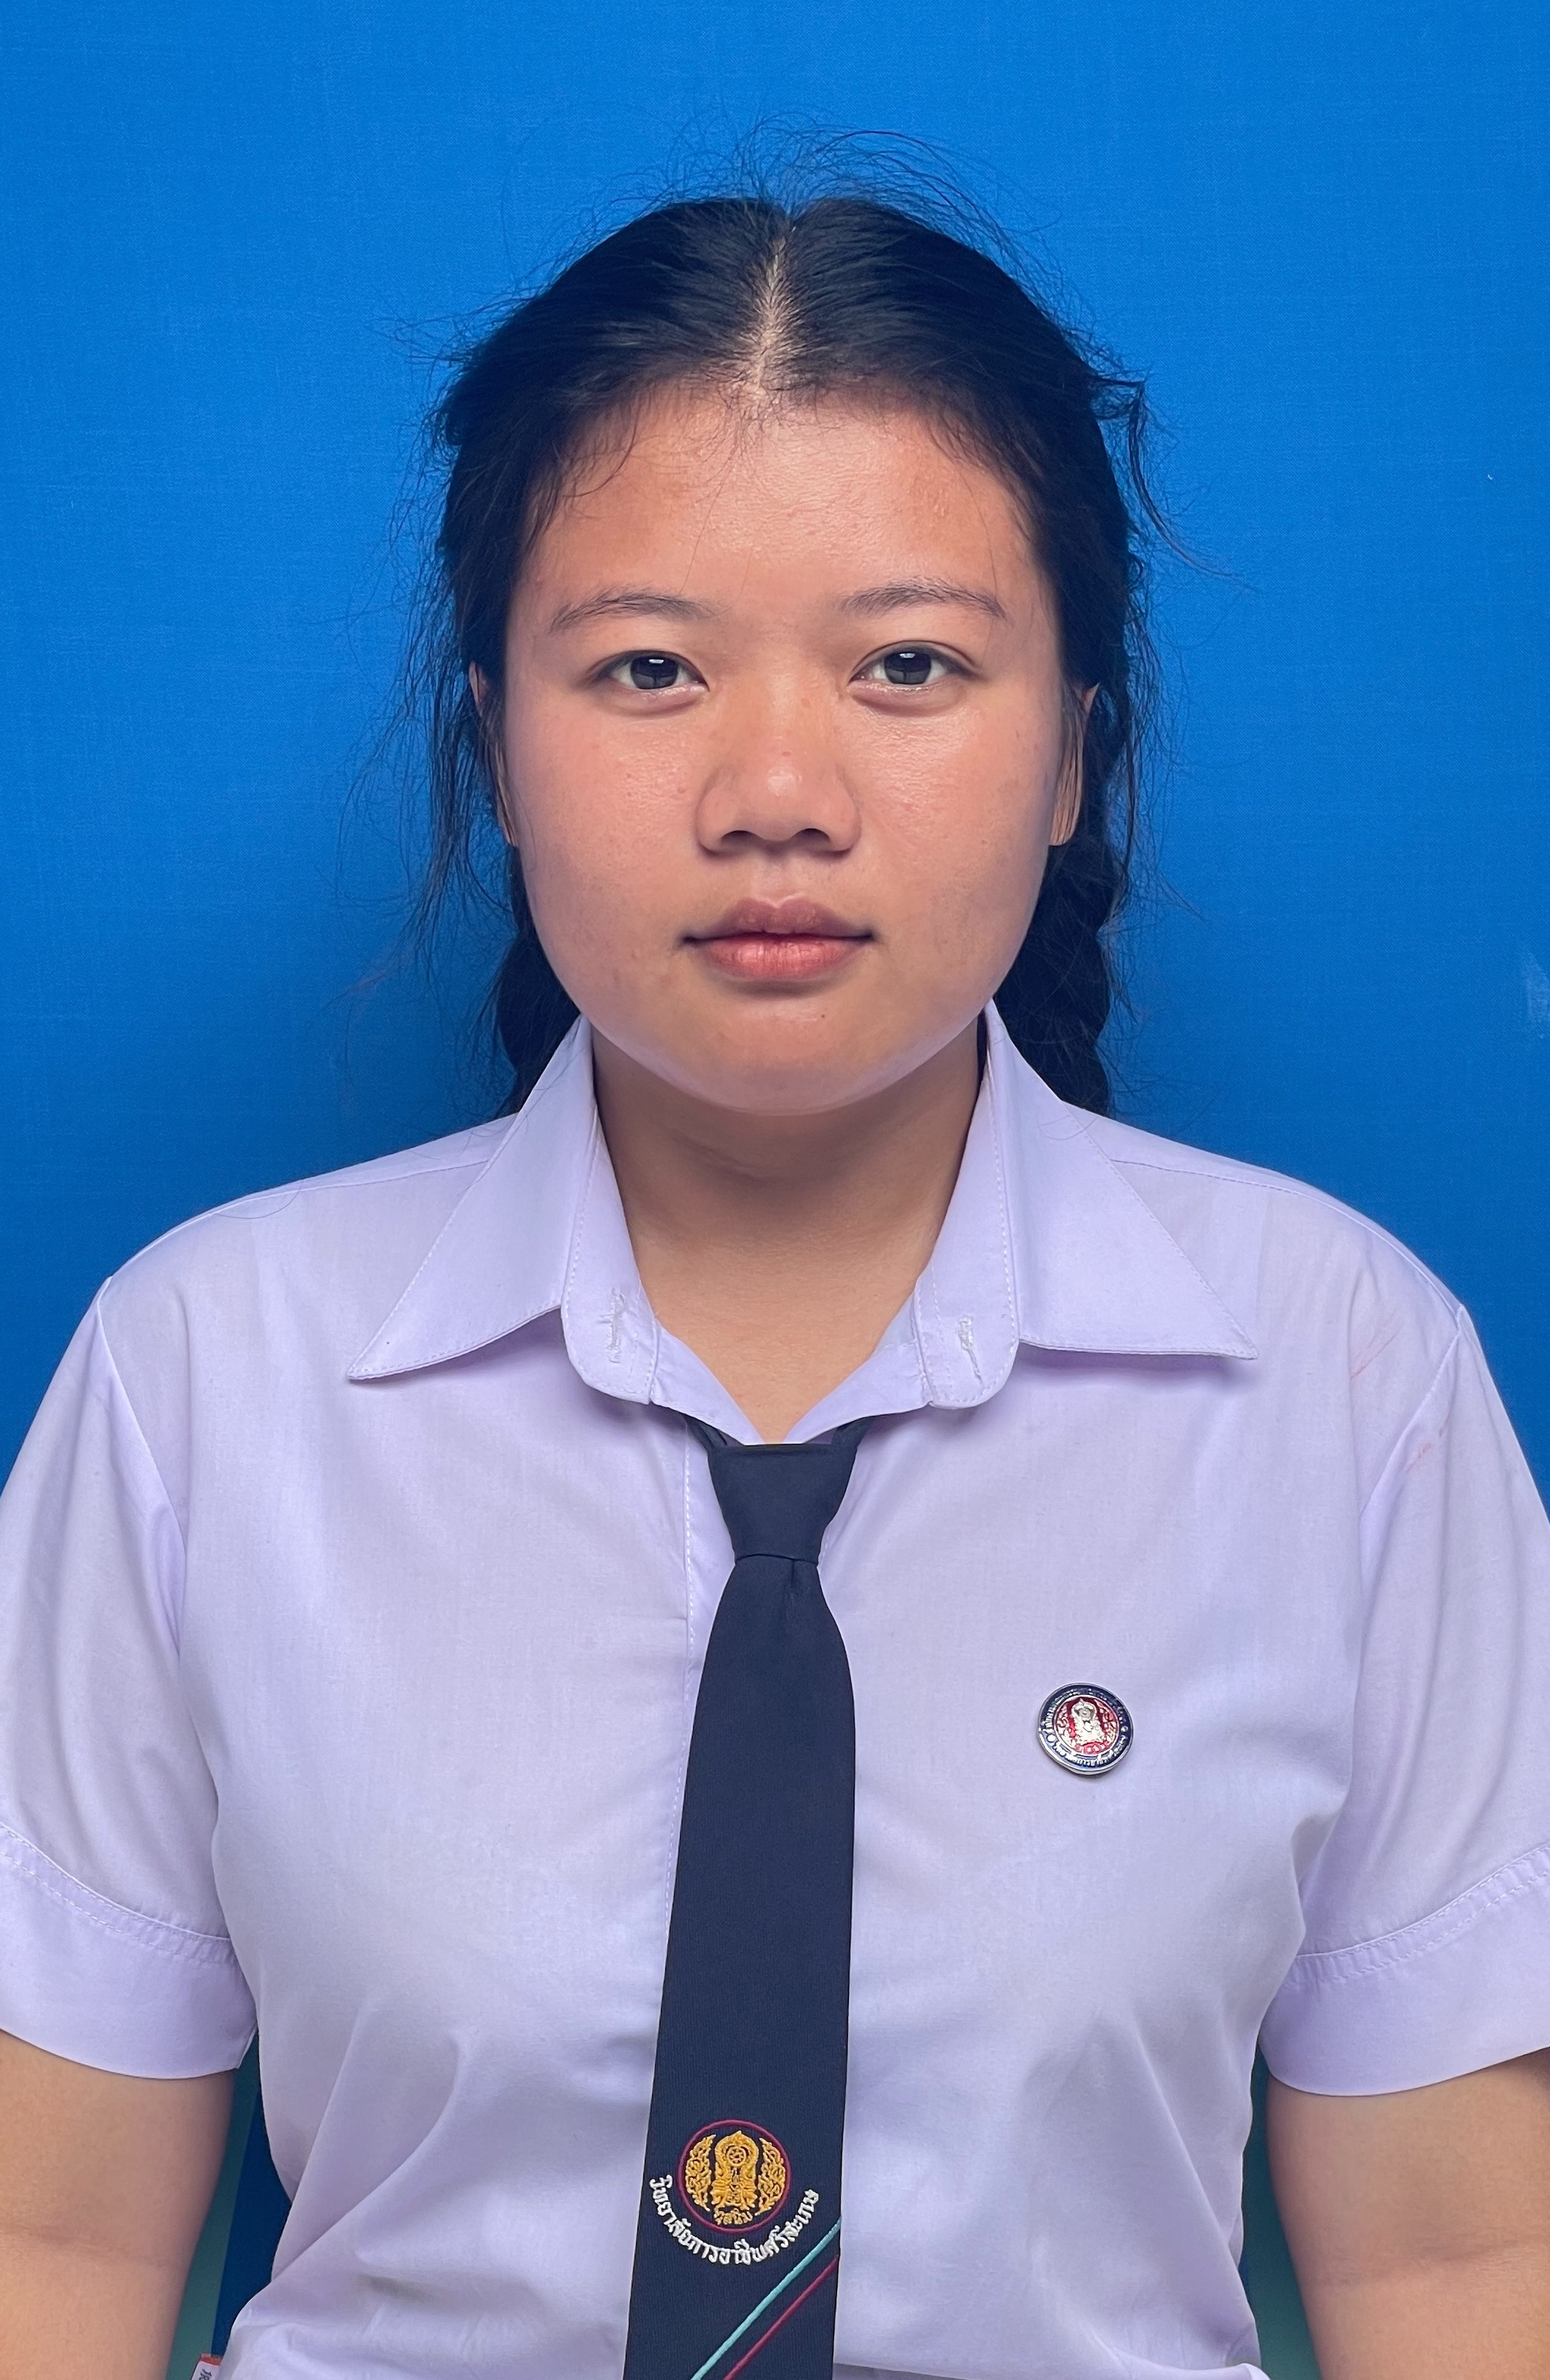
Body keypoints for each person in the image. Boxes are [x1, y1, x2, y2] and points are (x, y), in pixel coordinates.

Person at [1, 185, 1548, 2380]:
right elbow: (49, 2242)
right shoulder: (204, 1373)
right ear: (496, 738)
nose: (777, 793)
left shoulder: (1343, 1373)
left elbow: (1456, 2269)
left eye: (908, 664)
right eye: (649, 667)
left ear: (1073, 747)